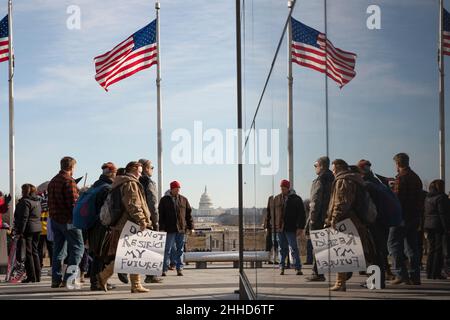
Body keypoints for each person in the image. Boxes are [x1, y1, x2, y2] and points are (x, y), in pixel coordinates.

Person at [97, 161, 151, 293]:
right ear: (132, 169)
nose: (140, 173)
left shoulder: (120, 182)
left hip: (123, 223)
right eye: (139, 171)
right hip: (130, 223)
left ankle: (134, 284)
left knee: (131, 256)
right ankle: (104, 276)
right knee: (131, 255)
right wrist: (142, 220)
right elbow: (133, 204)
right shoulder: (130, 183)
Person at [325, 159, 374, 291]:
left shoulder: (343, 180)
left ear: (340, 168)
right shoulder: (355, 179)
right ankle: (342, 282)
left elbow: (341, 203)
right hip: (355, 220)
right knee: (351, 253)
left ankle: (341, 283)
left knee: (341, 253)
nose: (333, 171)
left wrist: (333, 220)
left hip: (345, 221)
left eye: (334, 169)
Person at [47, 156, 84, 288]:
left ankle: (55, 279)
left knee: (58, 250)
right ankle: (69, 279)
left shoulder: (52, 181)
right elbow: (74, 204)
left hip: (55, 220)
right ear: (71, 167)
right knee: (78, 249)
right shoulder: (69, 181)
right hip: (69, 220)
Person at [388, 153, 423, 285]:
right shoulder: (416, 177)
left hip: (401, 217)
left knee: (393, 244)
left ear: (397, 164)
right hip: (414, 217)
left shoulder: (401, 178)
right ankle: (415, 276)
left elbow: (397, 200)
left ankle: (400, 274)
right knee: (412, 247)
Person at [87, 162, 118, 291]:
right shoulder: (107, 188)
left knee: (97, 254)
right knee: (100, 255)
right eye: (115, 173)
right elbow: (107, 210)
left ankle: (98, 281)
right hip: (102, 225)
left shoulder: (96, 184)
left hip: (93, 224)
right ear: (111, 173)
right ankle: (97, 282)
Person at [266, 180, 305, 276]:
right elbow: (269, 212)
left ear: (288, 188)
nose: (282, 190)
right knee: (281, 248)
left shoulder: (296, 199)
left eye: (284, 188)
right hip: (279, 228)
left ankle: (297, 267)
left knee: (293, 248)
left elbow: (301, 214)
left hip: (291, 228)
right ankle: (282, 267)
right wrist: (268, 225)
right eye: (281, 188)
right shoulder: (277, 199)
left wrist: (300, 227)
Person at [306, 157, 334, 282]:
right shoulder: (333, 179)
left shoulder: (320, 180)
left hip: (318, 219)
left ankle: (317, 273)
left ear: (321, 165)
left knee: (317, 247)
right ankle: (319, 272)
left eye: (315, 165)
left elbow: (315, 201)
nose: (314, 167)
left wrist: (312, 218)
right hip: (330, 218)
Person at [159, 181, 194, 276]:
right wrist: (161, 228)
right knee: (167, 249)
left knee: (180, 249)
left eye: (179, 188)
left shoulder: (184, 200)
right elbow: (161, 216)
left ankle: (180, 268)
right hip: (169, 229)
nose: (178, 190)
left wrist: (191, 227)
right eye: (176, 188)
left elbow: (188, 215)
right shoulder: (164, 200)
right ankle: (164, 269)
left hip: (181, 229)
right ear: (171, 189)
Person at [138, 159, 163, 284]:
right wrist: (156, 220)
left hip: (137, 219)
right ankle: (151, 275)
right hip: (148, 220)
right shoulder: (149, 182)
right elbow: (153, 203)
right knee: (151, 248)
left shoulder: (135, 181)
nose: (152, 169)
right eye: (151, 167)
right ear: (146, 168)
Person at [13, 184, 42, 283]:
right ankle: (37, 276)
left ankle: (31, 277)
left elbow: (23, 218)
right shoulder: (37, 201)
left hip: (28, 229)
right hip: (37, 228)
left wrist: (20, 231)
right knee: (35, 252)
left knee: (28, 253)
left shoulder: (25, 202)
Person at [424, 180, 449, 279]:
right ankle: (436, 273)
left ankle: (429, 272)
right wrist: (447, 227)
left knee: (431, 249)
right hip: (438, 225)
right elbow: (443, 214)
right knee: (438, 250)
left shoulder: (427, 197)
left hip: (428, 225)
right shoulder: (441, 198)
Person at [36, 182, 53, 275]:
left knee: (39, 249)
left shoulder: (38, 199)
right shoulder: (52, 198)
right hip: (49, 228)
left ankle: (39, 266)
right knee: (52, 249)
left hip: (39, 228)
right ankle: (52, 267)